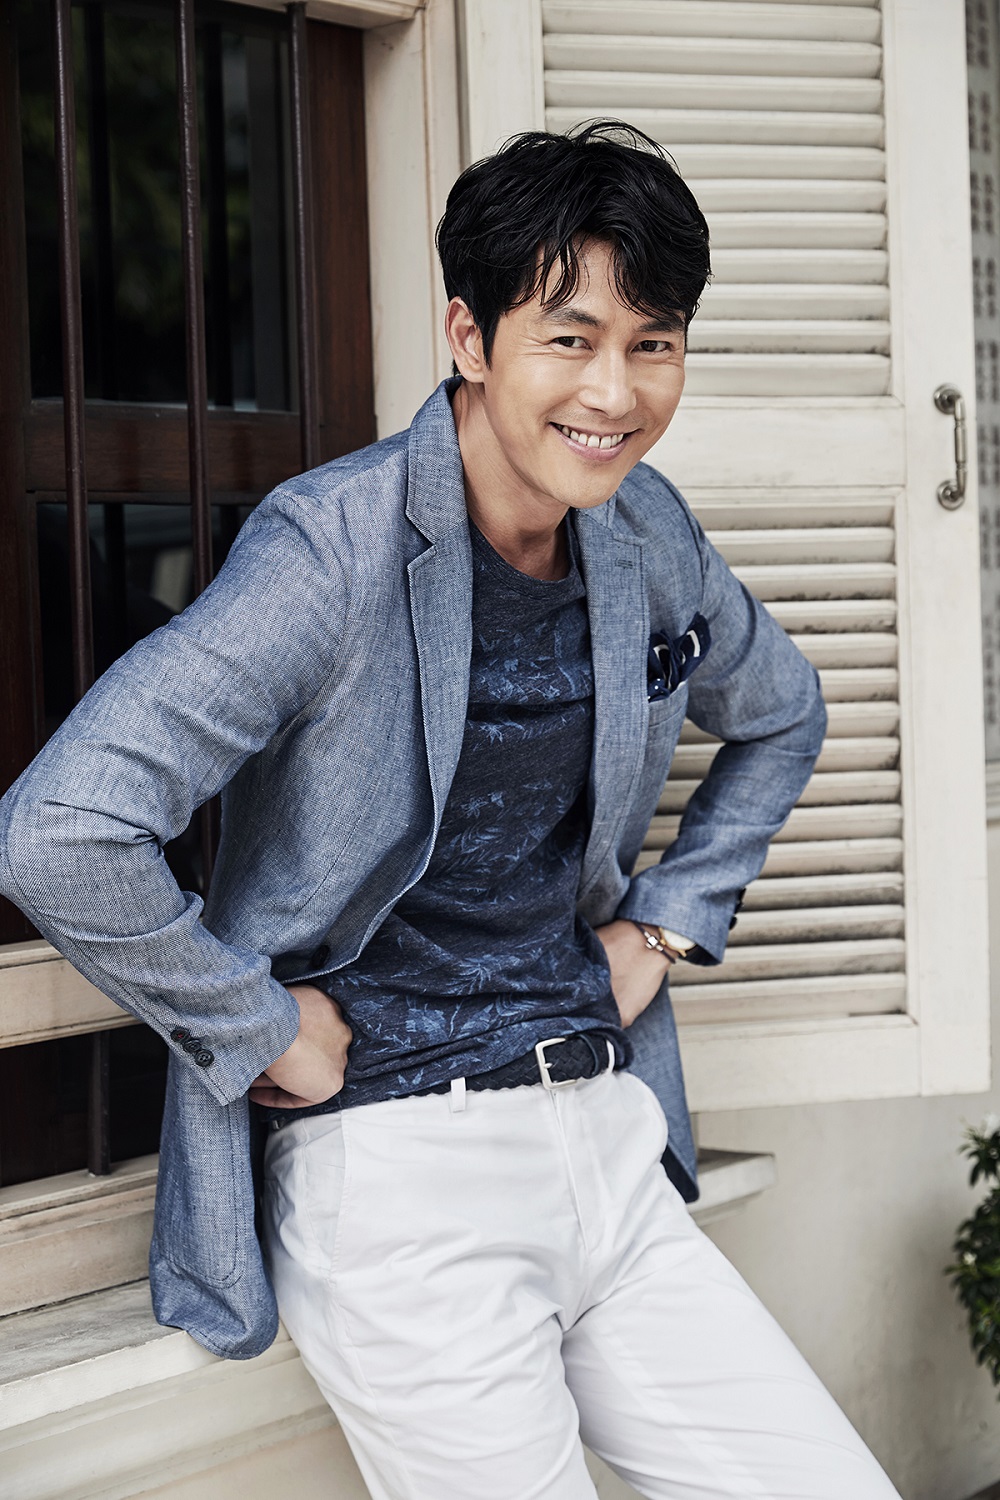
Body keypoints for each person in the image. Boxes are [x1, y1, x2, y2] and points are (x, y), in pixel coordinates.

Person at [0, 123, 900, 1499]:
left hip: (608, 1134)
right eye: (570, 339)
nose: (615, 392)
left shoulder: (645, 530)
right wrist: (254, 1023)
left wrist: (666, 924)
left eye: (654, 343)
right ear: (470, 338)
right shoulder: (331, 548)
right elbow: (60, 828)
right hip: (400, 1175)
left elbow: (784, 712)